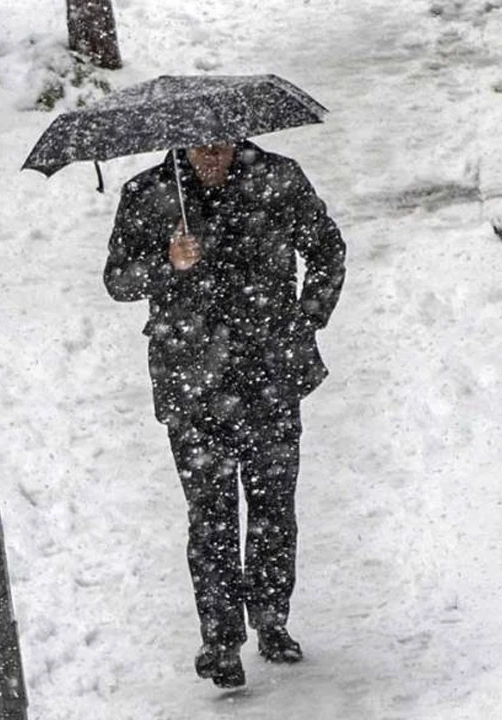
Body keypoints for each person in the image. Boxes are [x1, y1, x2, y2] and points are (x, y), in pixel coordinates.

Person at [103, 140, 345, 689]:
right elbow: (117, 280)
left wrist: (306, 320)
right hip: (191, 380)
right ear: (180, 144)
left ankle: (271, 620)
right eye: (200, 146)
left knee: (272, 506)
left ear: (239, 140)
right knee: (209, 515)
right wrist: (166, 262)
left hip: (270, 372)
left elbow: (327, 249)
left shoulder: (278, 179)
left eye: (222, 144)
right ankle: (220, 640)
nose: (212, 155)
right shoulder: (148, 194)